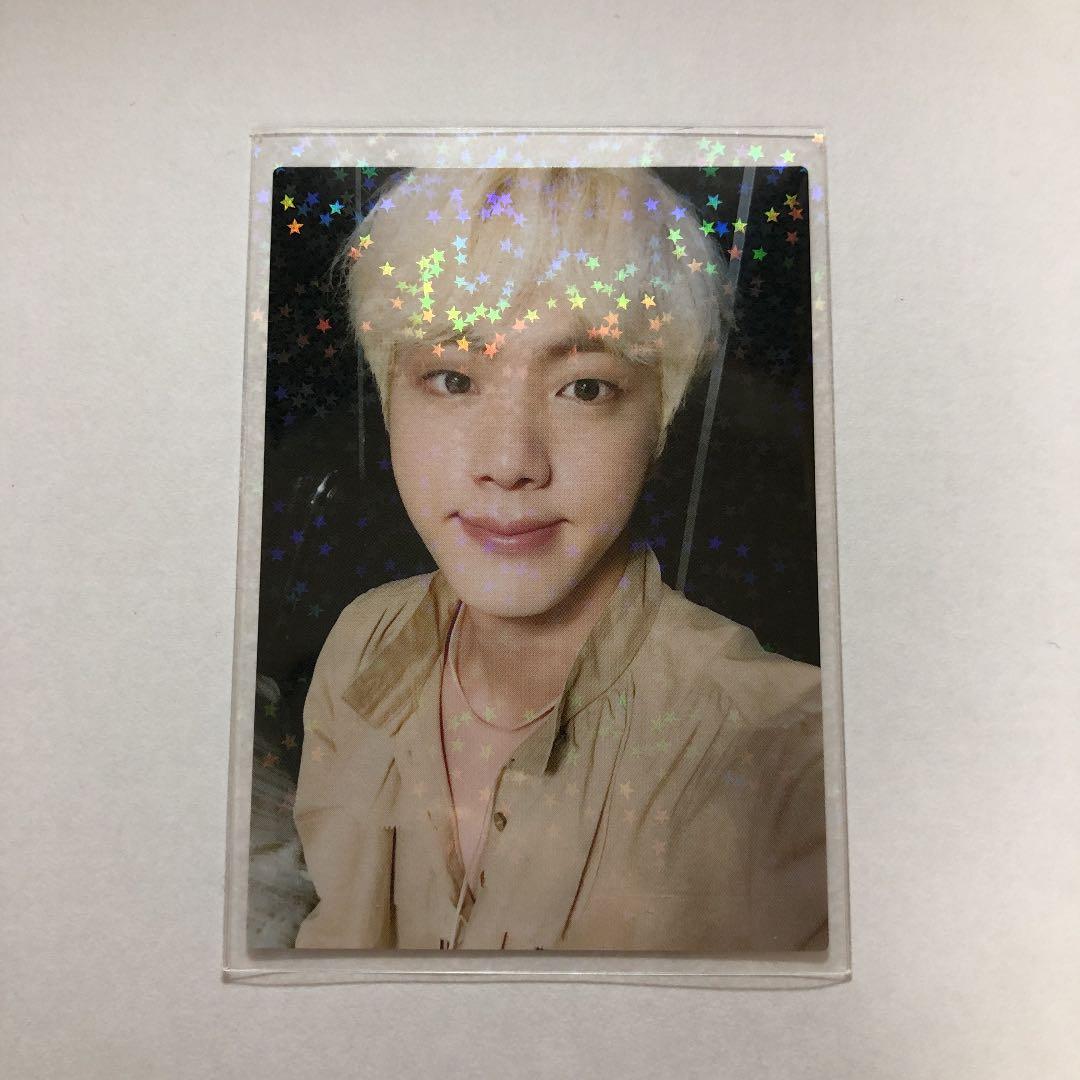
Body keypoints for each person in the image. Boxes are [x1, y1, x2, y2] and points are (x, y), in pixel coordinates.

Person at [290, 166, 828, 952]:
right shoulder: (361, 644)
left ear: (659, 419)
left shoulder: (792, 762)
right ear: (390, 400)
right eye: (453, 378)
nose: (510, 462)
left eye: (584, 388)